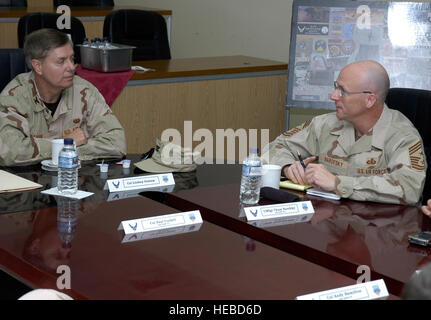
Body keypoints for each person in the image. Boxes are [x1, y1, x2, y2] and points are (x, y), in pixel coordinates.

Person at [265, 60, 426, 205]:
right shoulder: (326, 124)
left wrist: (338, 183)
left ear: (370, 100)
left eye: (342, 91)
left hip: (379, 228)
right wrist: (287, 167)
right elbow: (275, 147)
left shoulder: (401, 135)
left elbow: (410, 187)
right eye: (336, 87)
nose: (333, 96)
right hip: (331, 223)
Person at [0, 28, 126, 166]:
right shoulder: (14, 96)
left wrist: (66, 149)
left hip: (74, 180)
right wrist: (64, 142)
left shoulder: (84, 90)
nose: (71, 67)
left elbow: (117, 143)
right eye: (61, 61)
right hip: (27, 182)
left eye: (72, 59)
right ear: (38, 66)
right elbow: (10, 152)